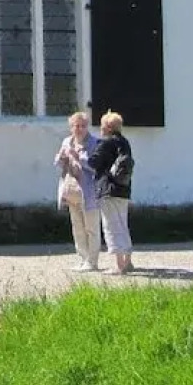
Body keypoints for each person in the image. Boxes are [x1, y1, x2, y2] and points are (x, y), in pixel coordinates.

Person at [88, 110, 135, 275]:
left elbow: (93, 162)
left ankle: (119, 265)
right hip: (123, 188)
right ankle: (128, 261)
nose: (100, 129)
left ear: (108, 127)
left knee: (111, 226)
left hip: (108, 189)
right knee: (123, 223)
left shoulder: (106, 143)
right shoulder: (125, 143)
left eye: (102, 125)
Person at [54, 111, 102, 272]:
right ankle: (83, 259)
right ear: (71, 127)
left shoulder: (95, 143)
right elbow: (59, 164)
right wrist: (61, 158)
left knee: (91, 228)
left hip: (88, 192)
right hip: (71, 191)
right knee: (77, 228)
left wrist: (79, 157)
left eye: (83, 126)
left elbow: (96, 167)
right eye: (76, 126)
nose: (80, 129)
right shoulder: (67, 141)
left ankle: (93, 262)